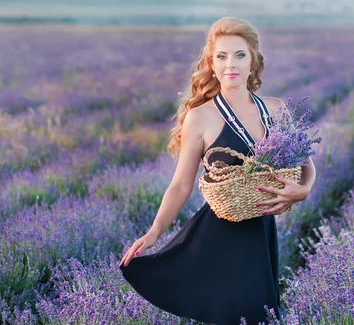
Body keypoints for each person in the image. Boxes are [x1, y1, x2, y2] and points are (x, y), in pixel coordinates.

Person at [118, 17, 317, 325]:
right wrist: (154, 232)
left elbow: (307, 166)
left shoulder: (276, 109)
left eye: (239, 55)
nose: (230, 64)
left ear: (253, 61)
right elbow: (181, 186)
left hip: (261, 233)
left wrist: (304, 190)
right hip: (218, 235)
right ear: (211, 63)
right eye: (221, 56)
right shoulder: (200, 117)